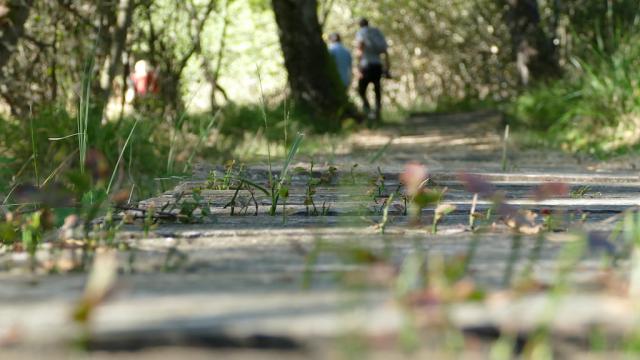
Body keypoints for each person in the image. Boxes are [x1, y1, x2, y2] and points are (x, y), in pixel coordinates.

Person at [355, 18, 389, 123]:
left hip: (366, 65)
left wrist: (358, 65)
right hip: (377, 65)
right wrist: (387, 67)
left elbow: (360, 47)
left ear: (360, 25)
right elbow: (385, 50)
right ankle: (377, 111)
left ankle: (368, 110)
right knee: (377, 88)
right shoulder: (376, 32)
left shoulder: (361, 32)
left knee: (361, 89)